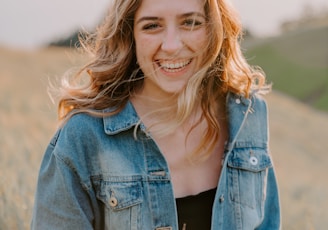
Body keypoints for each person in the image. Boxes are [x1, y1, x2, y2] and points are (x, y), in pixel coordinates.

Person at [31, 0, 281, 229]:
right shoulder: (84, 136)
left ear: (212, 28)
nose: (172, 45)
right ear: (130, 35)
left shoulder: (247, 115)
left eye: (190, 22)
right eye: (152, 26)